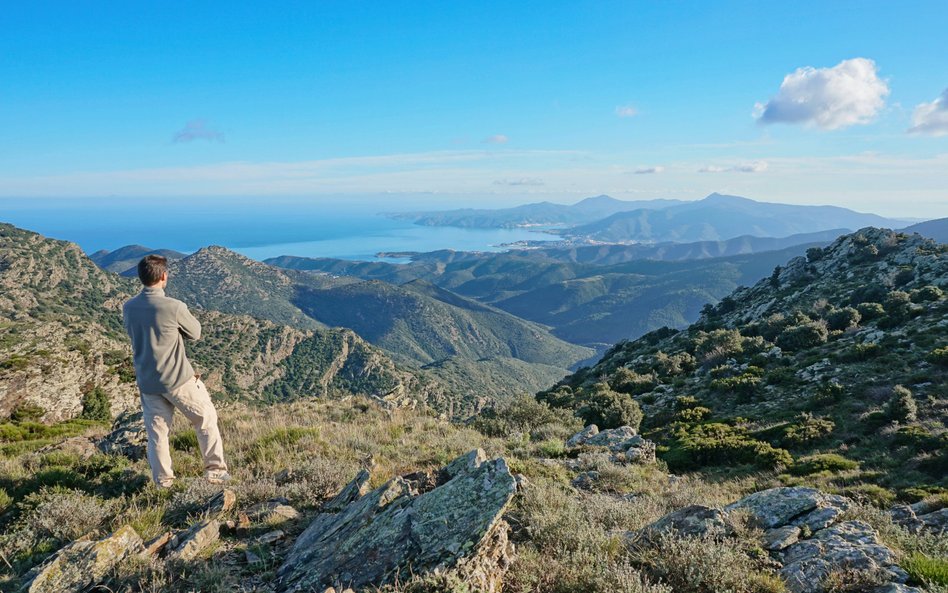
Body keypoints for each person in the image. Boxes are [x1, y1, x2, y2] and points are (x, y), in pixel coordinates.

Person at [122, 254, 229, 488]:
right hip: (178, 379)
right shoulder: (174, 307)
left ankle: (163, 483)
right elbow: (196, 332)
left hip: (148, 382)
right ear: (164, 276)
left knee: (158, 435)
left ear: (140, 277)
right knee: (205, 420)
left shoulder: (129, 307)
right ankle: (215, 472)